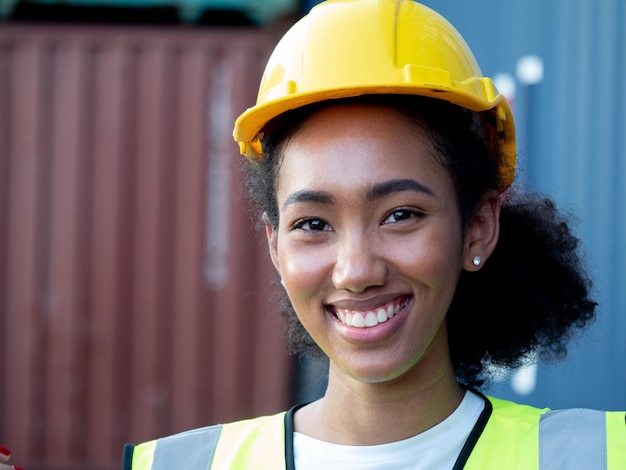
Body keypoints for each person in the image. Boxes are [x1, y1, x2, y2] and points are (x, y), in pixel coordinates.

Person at [123, 0, 626, 468]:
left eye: (400, 214)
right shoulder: (178, 464)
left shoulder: (597, 455)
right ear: (276, 247)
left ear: (477, 228)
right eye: (313, 224)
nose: (356, 270)